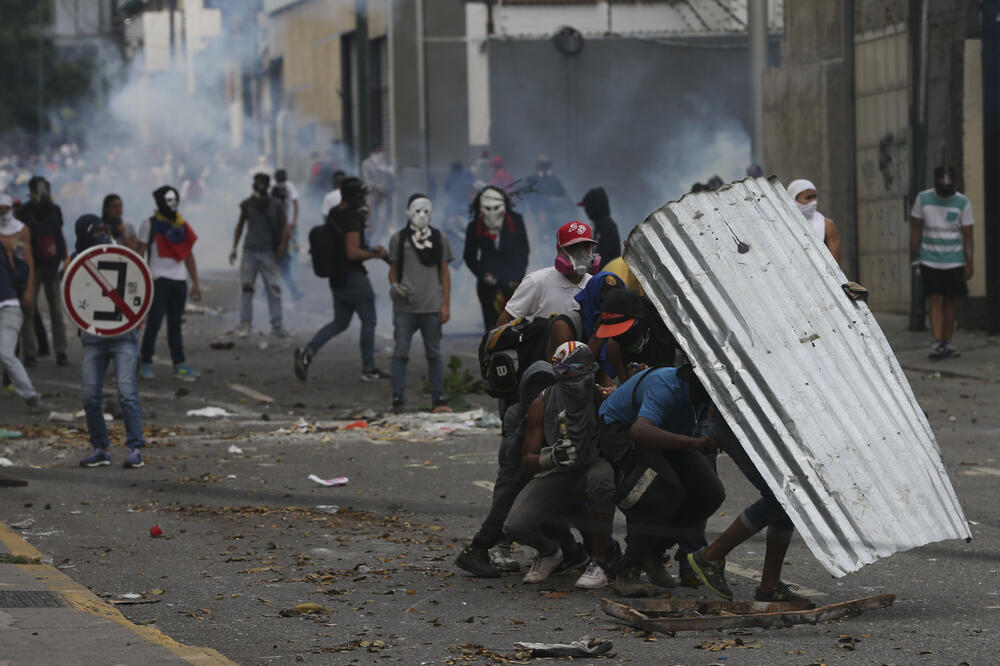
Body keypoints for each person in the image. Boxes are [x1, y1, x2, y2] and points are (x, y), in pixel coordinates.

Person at [597, 364, 725, 597]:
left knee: (711, 492)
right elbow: (640, 431)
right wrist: (693, 444)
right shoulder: (666, 388)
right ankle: (627, 571)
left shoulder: (707, 393)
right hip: (621, 429)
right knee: (659, 492)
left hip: (669, 432)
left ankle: (653, 550)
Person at [504, 342, 615, 588]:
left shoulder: (601, 398)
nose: (578, 378)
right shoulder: (542, 404)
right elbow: (526, 461)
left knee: (602, 480)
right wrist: (551, 456)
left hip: (590, 465)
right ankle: (550, 551)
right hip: (557, 471)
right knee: (515, 526)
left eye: (585, 369)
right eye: (571, 371)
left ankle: (599, 561)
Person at [685, 414, 814, 606]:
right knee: (781, 497)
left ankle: (769, 587)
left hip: (761, 422)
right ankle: (711, 556)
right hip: (738, 422)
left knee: (787, 500)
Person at [294, 177, 390, 382]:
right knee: (369, 320)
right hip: (352, 277)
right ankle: (369, 368)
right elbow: (352, 252)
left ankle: (308, 353)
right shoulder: (351, 220)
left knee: (340, 322)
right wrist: (376, 255)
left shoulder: (335, 213)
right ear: (355, 196)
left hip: (337, 278)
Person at [72, 215, 146, 469]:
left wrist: (136, 313)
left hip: (123, 336)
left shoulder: (119, 253)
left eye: (104, 229)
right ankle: (100, 447)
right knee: (90, 395)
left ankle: (135, 448)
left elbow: (139, 284)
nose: (102, 234)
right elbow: (74, 297)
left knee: (127, 393)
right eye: (96, 231)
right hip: (93, 338)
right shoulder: (75, 262)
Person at [387, 194, 453, 413]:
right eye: (417, 211)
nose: (422, 215)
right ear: (408, 213)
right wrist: (395, 285)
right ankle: (398, 397)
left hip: (431, 305)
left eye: (426, 211)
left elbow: (444, 271)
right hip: (405, 307)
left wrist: (445, 304)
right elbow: (393, 268)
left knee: (434, 354)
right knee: (401, 353)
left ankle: (438, 398)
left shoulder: (439, 238)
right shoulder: (399, 239)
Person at [137, 185, 202, 381]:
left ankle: (179, 365)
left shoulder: (181, 225)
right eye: (169, 200)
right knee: (154, 323)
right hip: (158, 279)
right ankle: (145, 363)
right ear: (160, 203)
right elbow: (139, 254)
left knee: (175, 324)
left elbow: (188, 255)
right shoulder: (149, 224)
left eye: (175, 199)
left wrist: (195, 282)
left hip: (179, 280)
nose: (173, 204)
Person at [910, 165, 974, 359]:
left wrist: (969, 263)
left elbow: (968, 236)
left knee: (949, 301)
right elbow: (916, 228)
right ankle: (937, 342)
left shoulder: (963, 202)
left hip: (954, 260)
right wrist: (914, 256)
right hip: (930, 258)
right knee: (935, 300)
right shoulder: (923, 199)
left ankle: (947, 341)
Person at [497, 220, 597, 328]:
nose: (581, 253)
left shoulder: (595, 285)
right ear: (560, 250)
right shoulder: (536, 282)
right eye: (574, 247)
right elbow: (503, 325)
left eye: (586, 246)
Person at [15, 176, 69, 367]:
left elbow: (59, 235)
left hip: (52, 265)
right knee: (28, 310)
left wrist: (65, 257)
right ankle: (29, 353)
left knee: (56, 310)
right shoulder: (23, 212)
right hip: (32, 266)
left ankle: (61, 352)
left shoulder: (55, 210)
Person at [230, 173, 289, 338]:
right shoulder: (247, 204)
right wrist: (234, 248)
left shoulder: (276, 204)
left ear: (268, 185)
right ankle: (245, 323)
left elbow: (284, 225)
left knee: (274, 288)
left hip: (268, 252)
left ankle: (277, 325)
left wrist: (283, 245)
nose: (260, 185)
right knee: (247, 288)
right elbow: (240, 226)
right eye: (258, 182)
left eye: (263, 182)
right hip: (249, 251)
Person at [463, 187, 530, 330]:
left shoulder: (516, 221)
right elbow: (469, 257)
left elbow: (524, 251)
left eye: (496, 208)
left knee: (515, 327)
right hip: (488, 285)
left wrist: (517, 278)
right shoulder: (474, 226)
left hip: (513, 283)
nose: (492, 213)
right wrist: (483, 275)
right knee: (492, 328)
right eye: (487, 208)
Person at [0, 194, 40, 409]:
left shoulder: (21, 231)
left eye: (5, 208)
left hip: (8, 304)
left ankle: (30, 395)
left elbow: (26, 264)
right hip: (9, 300)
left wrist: (28, 289)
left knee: (7, 352)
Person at [594, 289, 679, 381]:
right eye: (613, 333)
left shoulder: (666, 326)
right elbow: (626, 386)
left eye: (622, 330)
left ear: (637, 320)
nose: (619, 337)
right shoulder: (613, 347)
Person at [786, 179, 842, 264]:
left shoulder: (826, 225)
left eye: (815, 197)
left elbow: (835, 265)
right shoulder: (782, 223)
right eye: (808, 198)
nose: (813, 202)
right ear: (793, 199)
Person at [272, 169, 304, 301]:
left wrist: (294, 221)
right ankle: (293, 292)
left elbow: (295, 204)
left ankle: (292, 291)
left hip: (280, 229)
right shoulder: (273, 190)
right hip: (278, 231)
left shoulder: (287, 187)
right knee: (282, 265)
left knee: (279, 265)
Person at [577, 187, 621, 271]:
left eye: (587, 206)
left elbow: (601, 258)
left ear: (594, 207)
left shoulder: (606, 227)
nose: (585, 210)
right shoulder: (600, 226)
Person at [361, 147, 395, 242]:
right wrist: (376, 188)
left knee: (383, 216)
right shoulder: (366, 163)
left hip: (384, 194)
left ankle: (378, 237)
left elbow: (390, 177)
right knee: (371, 216)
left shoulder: (386, 162)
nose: (381, 154)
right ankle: (371, 236)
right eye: (378, 151)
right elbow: (367, 180)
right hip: (372, 194)